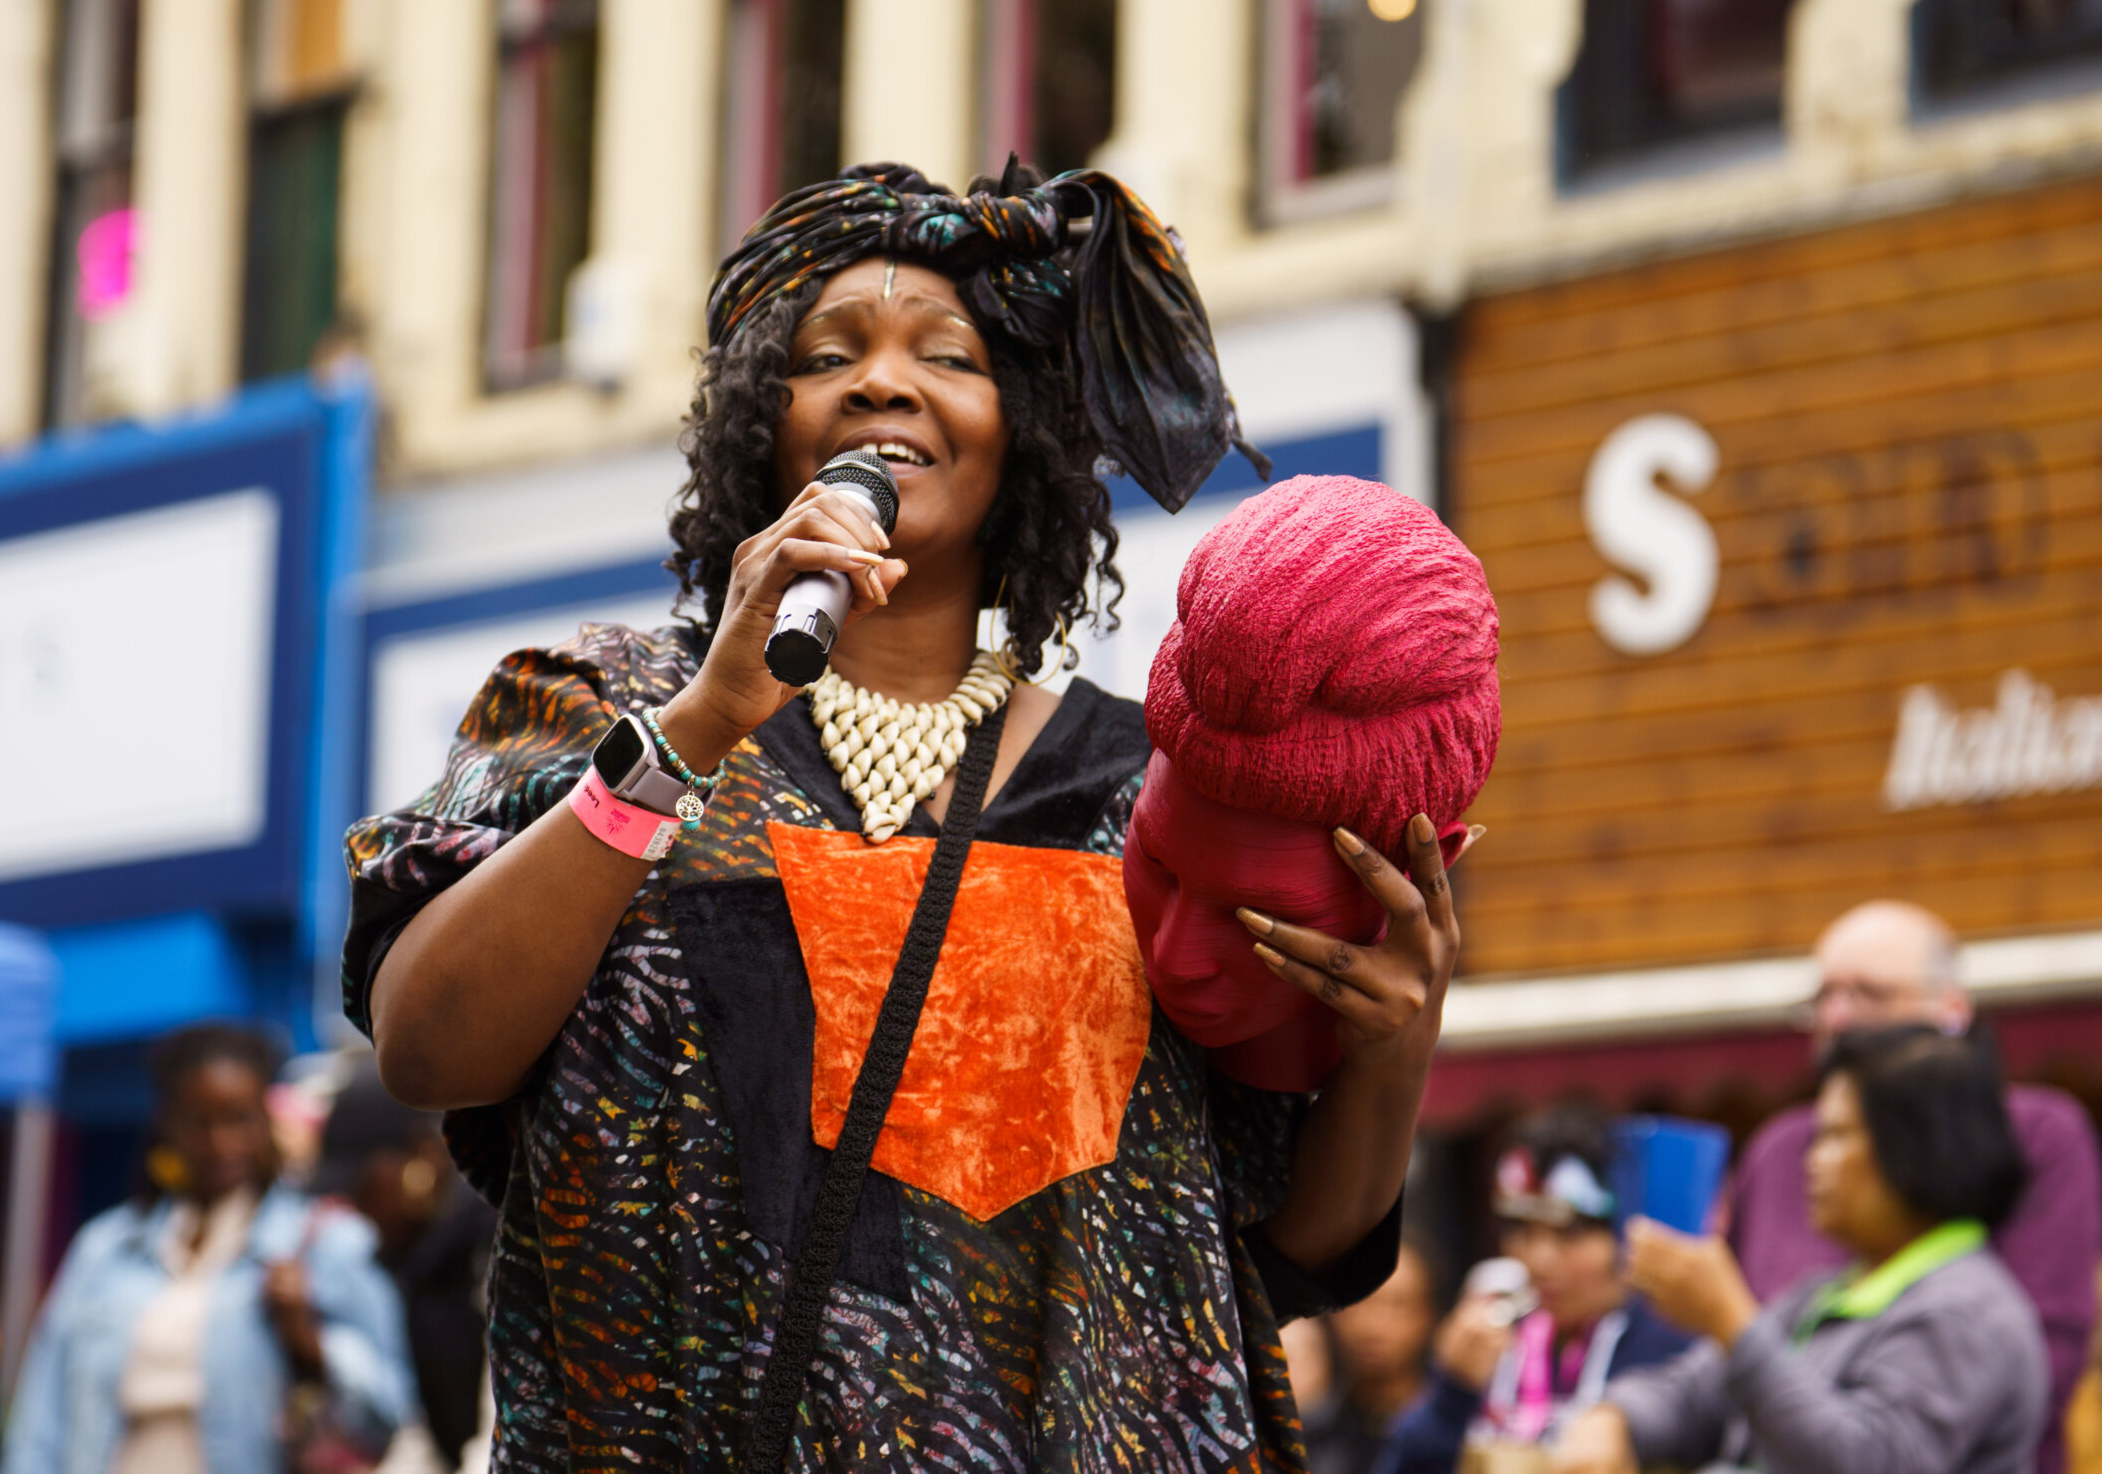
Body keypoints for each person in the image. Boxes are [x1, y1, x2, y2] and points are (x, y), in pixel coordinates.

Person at [345, 162, 1500, 1467]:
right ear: (757, 425)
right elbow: (427, 1047)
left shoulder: (1145, 789)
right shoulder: (592, 706)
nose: (883, 380)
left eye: (946, 353)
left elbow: (1289, 1247)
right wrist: (693, 730)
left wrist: (1395, 1042)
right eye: (829, 352)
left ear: (1025, 430)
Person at [1556, 1025, 2047, 1474]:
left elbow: (1866, 1462)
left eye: (1835, 1136)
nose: (1811, 1161)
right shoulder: (1826, 1294)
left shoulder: (1968, 1311)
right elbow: (1690, 1395)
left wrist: (1731, 1320)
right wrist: (1612, 1418)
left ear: (1915, 1145)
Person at [1726, 900, 2100, 1474]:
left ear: (1952, 1011)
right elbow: (1716, 1372)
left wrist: (1746, 1347)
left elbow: (2041, 1361)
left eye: (1869, 995)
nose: (1838, 1019)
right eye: (1824, 998)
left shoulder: (2034, 1140)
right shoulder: (1778, 1151)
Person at [1, 1024, 415, 1474]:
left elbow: (391, 1410)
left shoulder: (324, 1245)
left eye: (239, 1119)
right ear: (169, 1125)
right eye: (201, 1121)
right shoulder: (104, 1249)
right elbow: (40, 1424)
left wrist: (312, 1344)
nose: (222, 1144)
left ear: (266, 1119)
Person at [1376, 1110, 1691, 1474]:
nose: (1539, 1260)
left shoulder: (1673, 1350)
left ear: (1625, 1236)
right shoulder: (1490, 1342)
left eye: (1569, 1232)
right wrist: (1452, 1394)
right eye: (1522, 1230)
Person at [317, 1072, 496, 1470]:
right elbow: (429, 1426)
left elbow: (496, 1432)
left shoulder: (487, 1244)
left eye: (361, 1185)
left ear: (422, 1155)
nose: (356, 1207)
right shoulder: (414, 1263)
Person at [1302, 1241, 1438, 1474]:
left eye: (1398, 1305)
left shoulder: (1454, 1434)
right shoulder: (1309, 1439)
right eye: (1358, 1303)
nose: (1373, 1326)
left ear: (1428, 1317)